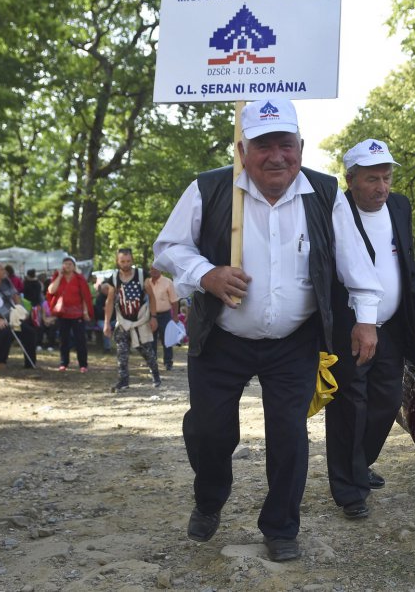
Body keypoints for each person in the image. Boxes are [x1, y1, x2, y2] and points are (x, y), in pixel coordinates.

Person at [153, 98, 382, 562]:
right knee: (209, 432)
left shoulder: (325, 193)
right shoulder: (209, 189)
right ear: (242, 150)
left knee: (289, 436)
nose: (277, 156)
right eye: (263, 145)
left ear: (301, 146)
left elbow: (354, 262)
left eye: (286, 144)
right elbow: (168, 248)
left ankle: (280, 528)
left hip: (293, 342)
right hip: (221, 338)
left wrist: (366, 319)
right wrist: (206, 274)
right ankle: (209, 497)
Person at [325, 138, 415, 520]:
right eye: (372, 179)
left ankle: (359, 463)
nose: (382, 187)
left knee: (386, 401)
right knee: (349, 406)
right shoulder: (335, 211)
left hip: (393, 327)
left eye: (386, 178)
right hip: (349, 327)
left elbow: (408, 262)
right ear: (350, 179)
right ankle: (350, 492)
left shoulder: (399, 206)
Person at [104, 248, 161, 391]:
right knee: (121, 353)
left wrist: (153, 317)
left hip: (140, 319)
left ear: (132, 260)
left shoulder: (141, 275)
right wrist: (106, 323)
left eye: (128, 261)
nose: (126, 264)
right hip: (123, 321)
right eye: (122, 261)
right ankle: (123, 381)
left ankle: (155, 374)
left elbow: (152, 297)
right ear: (117, 261)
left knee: (147, 351)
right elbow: (109, 301)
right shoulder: (114, 278)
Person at [0, 263, 38, 371]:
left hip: (10, 315)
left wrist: (20, 310)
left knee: (29, 332)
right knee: (6, 331)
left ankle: (30, 363)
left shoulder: (7, 282)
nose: (4, 271)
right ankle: (1, 361)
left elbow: (16, 296)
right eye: (1, 269)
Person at [46, 257, 93, 373]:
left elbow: (84, 296)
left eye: (70, 264)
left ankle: (83, 364)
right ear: (62, 266)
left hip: (77, 313)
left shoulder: (79, 279)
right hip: (63, 314)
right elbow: (51, 291)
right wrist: (59, 276)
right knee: (63, 340)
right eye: (65, 264)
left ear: (74, 266)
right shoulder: (58, 277)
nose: (68, 266)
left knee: (80, 340)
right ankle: (64, 363)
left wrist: (85, 312)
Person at [147, 267, 180, 371]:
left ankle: (168, 362)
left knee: (167, 339)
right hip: (150, 315)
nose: (154, 271)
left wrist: (175, 316)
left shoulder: (167, 282)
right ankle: (152, 363)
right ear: (149, 271)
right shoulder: (147, 283)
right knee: (151, 340)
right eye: (152, 269)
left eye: (156, 269)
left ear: (161, 270)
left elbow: (174, 301)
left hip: (165, 315)